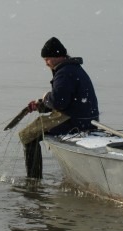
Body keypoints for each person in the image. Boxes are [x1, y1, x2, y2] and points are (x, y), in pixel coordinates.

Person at [19, 37, 100, 179]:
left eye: (47, 59)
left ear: (58, 57)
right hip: (86, 119)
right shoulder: (73, 68)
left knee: (27, 135)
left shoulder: (64, 72)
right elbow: (65, 100)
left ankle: (33, 181)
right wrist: (41, 105)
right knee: (32, 132)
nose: (46, 63)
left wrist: (46, 98)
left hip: (74, 121)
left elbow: (59, 103)